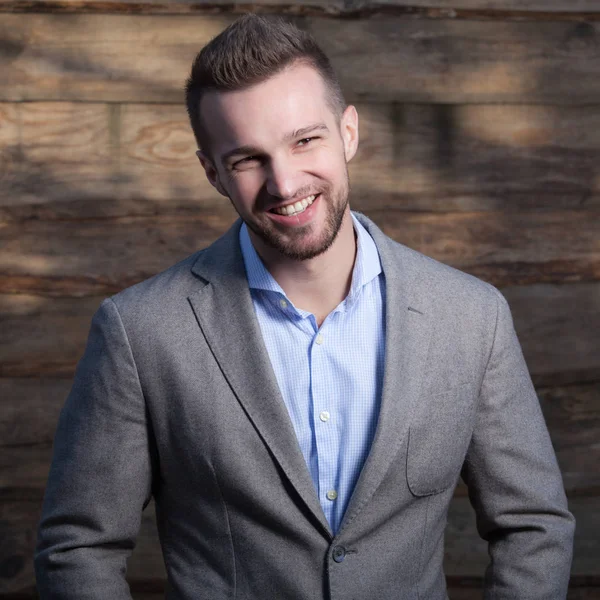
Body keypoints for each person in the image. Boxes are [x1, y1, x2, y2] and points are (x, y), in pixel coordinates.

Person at [35, 14, 575, 599]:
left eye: (304, 140)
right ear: (212, 172)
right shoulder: (140, 331)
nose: (285, 183)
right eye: (247, 159)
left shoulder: (471, 317)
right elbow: (79, 547)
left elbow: (533, 526)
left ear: (348, 133)